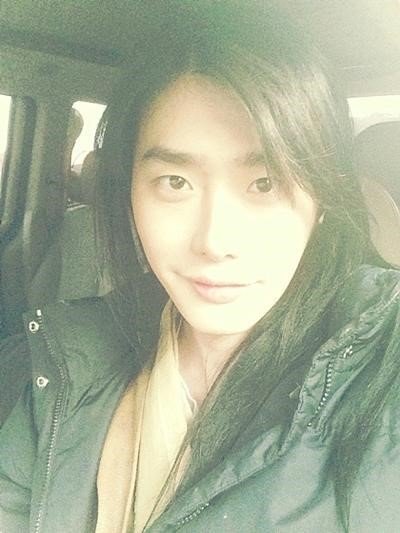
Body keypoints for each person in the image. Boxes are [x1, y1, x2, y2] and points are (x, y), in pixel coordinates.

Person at [1, 2, 400, 532]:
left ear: (322, 197)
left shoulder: (383, 370)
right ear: (128, 191)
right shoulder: (63, 364)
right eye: (176, 183)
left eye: (264, 183)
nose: (214, 241)